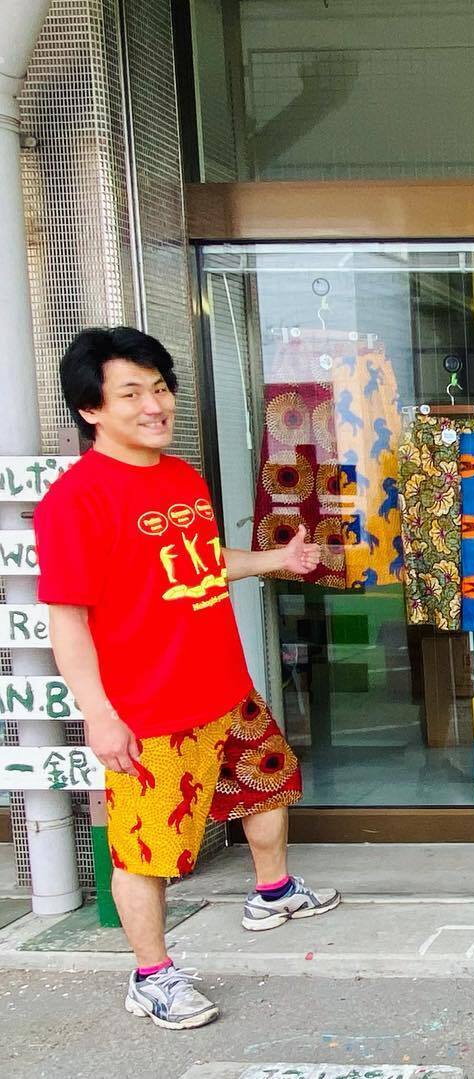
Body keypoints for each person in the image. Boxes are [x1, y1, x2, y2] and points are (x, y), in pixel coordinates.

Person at [36, 328, 341, 1029]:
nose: (154, 405)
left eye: (160, 388)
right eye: (131, 393)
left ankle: (273, 891)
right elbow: (67, 621)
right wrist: (100, 714)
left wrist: (275, 562)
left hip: (225, 687)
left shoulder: (179, 476)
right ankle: (152, 976)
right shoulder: (76, 501)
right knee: (147, 849)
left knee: (269, 784)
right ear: (91, 409)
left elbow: (202, 560)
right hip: (151, 710)